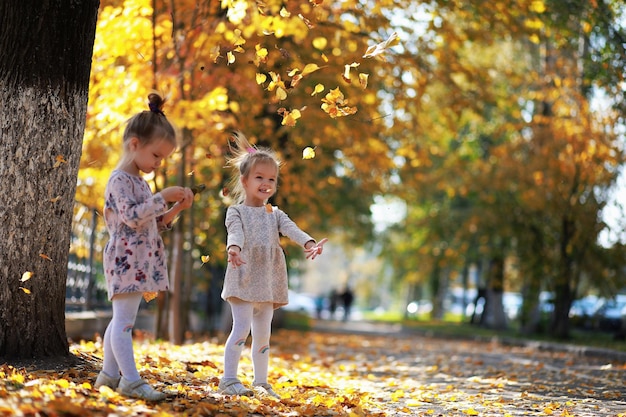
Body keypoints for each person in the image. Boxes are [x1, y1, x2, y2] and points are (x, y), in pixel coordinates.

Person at [93, 93, 195, 401]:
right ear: (134, 144)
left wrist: (174, 208)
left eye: (162, 158)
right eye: (156, 156)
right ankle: (131, 381)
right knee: (124, 322)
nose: (158, 163)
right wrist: (163, 195)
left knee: (120, 320)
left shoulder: (141, 182)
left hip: (139, 261)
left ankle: (108, 376)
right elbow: (132, 218)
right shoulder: (120, 180)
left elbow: (153, 223)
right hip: (125, 260)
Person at [218, 131, 327, 398]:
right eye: (260, 178)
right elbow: (235, 233)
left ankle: (261, 381)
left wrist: (309, 243)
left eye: (272, 179)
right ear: (244, 181)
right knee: (241, 329)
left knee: (263, 335)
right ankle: (229, 379)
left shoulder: (273, 213)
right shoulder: (236, 211)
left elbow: (291, 229)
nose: (266, 183)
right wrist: (234, 248)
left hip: (267, 280)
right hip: (243, 274)